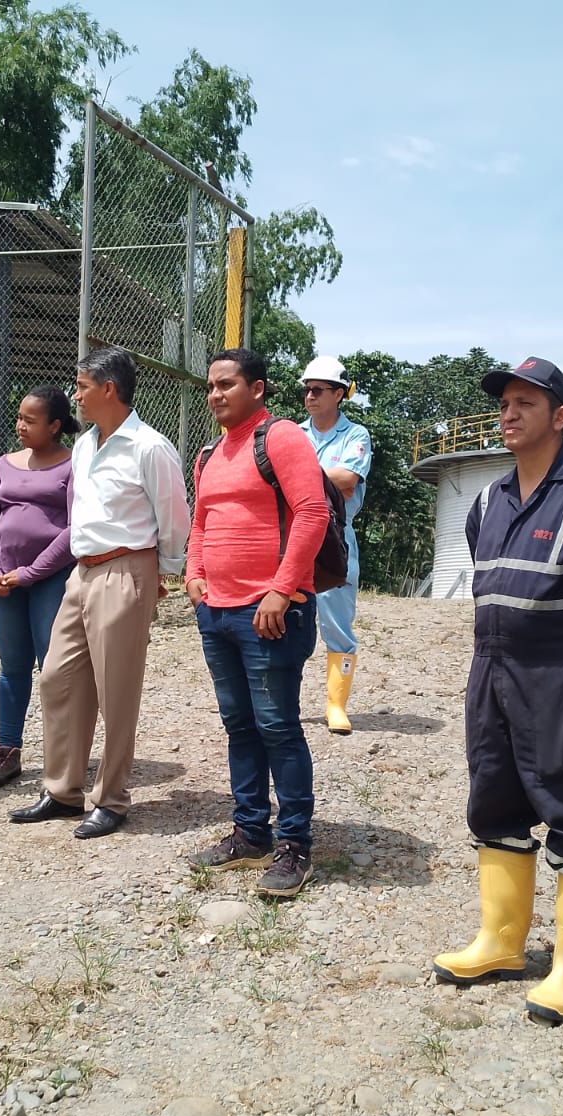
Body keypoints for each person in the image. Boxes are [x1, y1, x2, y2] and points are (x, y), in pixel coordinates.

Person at [431, 355, 563, 1025]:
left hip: (559, 671)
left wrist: (557, 641)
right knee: (493, 797)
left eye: (526, 403)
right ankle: (500, 942)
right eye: (504, 403)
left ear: (561, 417)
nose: (509, 413)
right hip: (489, 669)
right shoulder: (488, 501)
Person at [7, 347, 190, 839]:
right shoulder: (86, 445)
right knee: (58, 678)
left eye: (82, 386)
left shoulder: (149, 447)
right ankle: (63, 790)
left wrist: (162, 573)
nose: (75, 396)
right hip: (82, 573)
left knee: (116, 691)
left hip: (126, 568)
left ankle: (111, 798)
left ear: (109, 389)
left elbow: (175, 516)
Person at [187, 350, 331, 897]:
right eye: (211, 386)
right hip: (218, 611)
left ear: (258, 389)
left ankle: (294, 845)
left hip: (272, 611)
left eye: (227, 384)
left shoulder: (282, 438)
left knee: (277, 726)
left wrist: (281, 588)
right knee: (239, 726)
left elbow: (313, 512)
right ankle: (251, 833)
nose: (215, 395)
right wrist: (194, 575)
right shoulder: (209, 453)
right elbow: (201, 521)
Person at [0, 386, 79, 789]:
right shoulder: (4, 464)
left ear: (54, 426)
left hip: (51, 579)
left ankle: (61, 755)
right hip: (3, 582)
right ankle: (7, 751)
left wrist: (31, 572)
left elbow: (75, 528)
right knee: (13, 667)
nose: (20, 425)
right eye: (19, 417)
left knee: (54, 667)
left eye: (30, 420)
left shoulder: (73, 466)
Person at [298, 355, 373, 734]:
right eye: (306, 389)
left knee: (337, 621)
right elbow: (334, 480)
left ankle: (336, 705)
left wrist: (296, 475)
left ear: (339, 394)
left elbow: (347, 479)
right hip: (293, 536)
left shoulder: (356, 435)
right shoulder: (293, 433)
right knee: (286, 619)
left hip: (334, 536)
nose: (309, 396)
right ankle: (283, 703)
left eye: (318, 390)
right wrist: (325, 478)